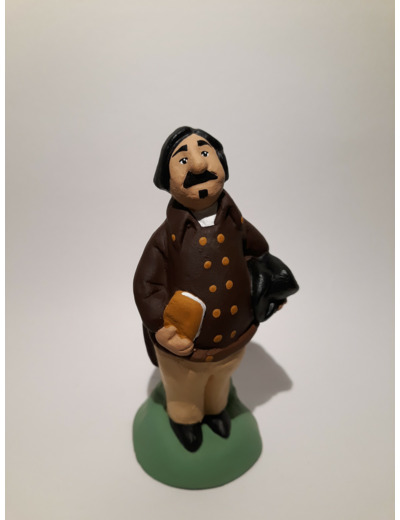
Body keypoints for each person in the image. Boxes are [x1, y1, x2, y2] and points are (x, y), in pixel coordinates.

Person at [134, 126, 277, 452]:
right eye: (183, 160)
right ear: (167, 179)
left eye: (204, 152)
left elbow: (259, 253)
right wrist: (161, 325)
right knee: (185, 389)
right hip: (184, 347)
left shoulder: (236, 223)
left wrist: (270, 287)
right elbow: (146, 284)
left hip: (234, 337)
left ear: (222, 163)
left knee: (220, 381)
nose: (198, 165)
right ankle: (184, 419)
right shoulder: (165, 239)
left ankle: (216, 409)